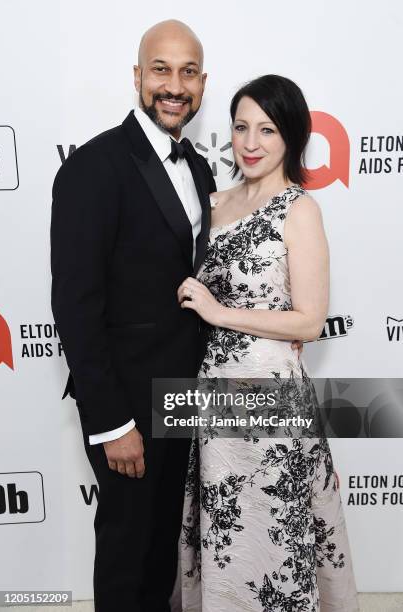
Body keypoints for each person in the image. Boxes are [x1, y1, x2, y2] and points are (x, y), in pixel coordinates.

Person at [50, 19, 216, 612]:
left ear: (202, 82)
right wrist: (112, 422)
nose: (175, 85)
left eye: (188, 71)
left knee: (160, 551)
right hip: (127, 402)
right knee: (125, 552)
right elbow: (74, 304)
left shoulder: (198, 168)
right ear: (138, 77)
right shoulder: (94, 167)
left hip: (184, 394)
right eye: (162, 70)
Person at [179, 75, 359, 611]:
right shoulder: (210, 205)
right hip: (215, 397)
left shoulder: (299, 210)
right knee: (227, 539)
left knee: (273, 539)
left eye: (267, 129)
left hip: (272, 398)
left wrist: (218, 312)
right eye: (240, 127)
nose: (251, 143)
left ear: (292, 138)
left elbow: (309, 322)